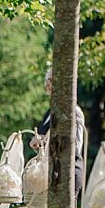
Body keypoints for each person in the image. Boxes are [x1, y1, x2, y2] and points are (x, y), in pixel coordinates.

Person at [31, 67, 86, 201]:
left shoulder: (73, 111)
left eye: (51, 80)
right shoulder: (50, 113)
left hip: (68, 171)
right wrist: (38, 143)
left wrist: (45, 140)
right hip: (49, 172)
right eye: (46, 81)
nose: (47, 85)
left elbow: (74, 145)